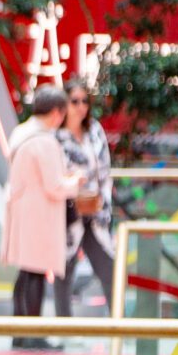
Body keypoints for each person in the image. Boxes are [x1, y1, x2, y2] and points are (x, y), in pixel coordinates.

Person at [1, 87, 82, 349]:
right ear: (57, 113)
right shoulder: (44, 142)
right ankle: (33, 334)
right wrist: (76, 181)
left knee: (25, 273)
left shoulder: (21, 133)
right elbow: (55, 186)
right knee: (35, 272)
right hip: (40, 215)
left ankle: (19, 332)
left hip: (23, 212)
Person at [54, 81, 115, 318]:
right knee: (63, 271)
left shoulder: (95, 131)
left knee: (108, 269)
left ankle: (119, 326)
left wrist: (104, 204)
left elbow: (105, 172)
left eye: (85, 101)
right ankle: (64, 327)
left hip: (96, 214)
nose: (81, 107)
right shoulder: (56, 136)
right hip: (68, 214)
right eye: (75, 101)